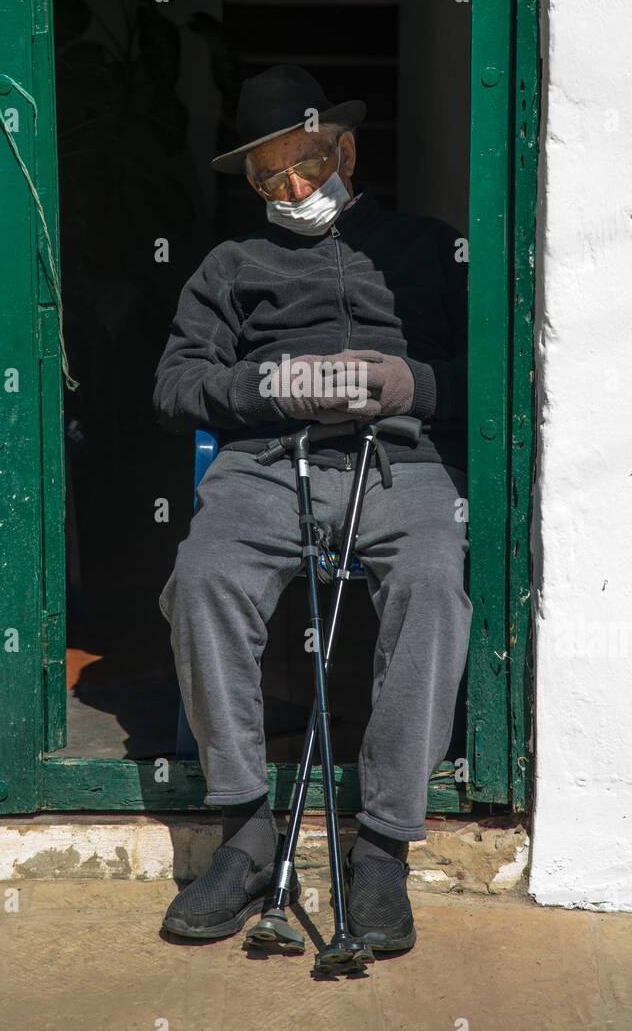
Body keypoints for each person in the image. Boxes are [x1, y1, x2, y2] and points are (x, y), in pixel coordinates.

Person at [154, 64, 471, 953]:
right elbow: (175, 387)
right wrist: (265, 386)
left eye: (304, 162)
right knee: (203, 577)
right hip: (266, 461)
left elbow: (500, 379)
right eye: (268, 177)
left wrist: (411, 382)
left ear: (344, 148)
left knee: (435, 587)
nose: (292, 188)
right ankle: (248, 830)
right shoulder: (231, 266)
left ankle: (382, 845)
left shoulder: (429, 246)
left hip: (401, 459)